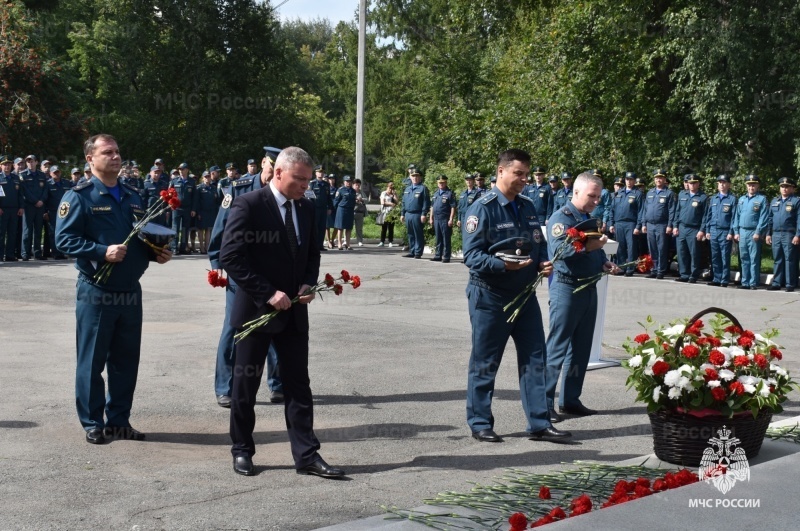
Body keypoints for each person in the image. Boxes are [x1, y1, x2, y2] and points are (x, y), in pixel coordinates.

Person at [219, 146, 344, 478]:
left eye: (308, 181)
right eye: (299, 180)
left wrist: (307, 283)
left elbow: (311, 252)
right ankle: (242, 450)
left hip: (293, 313)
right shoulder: (249, 204)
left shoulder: (306, 207)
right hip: (256, 312)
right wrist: (267, 293)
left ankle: (306, 455)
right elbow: (230, 257)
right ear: (278, 173)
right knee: (245, 385)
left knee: (298, 385)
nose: (305, 186)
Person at [55, 134, 173, 445]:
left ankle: (119, 420)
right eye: (108, 152)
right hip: (97, 291)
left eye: (118, 151)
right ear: (90, 160)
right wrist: (100, 251)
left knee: (125, 361)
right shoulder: (78, 196)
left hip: (130, 292)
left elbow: (141, 238)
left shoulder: (133, 194)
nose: (116, 157)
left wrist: (156, 252)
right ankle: (93, 422)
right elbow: (64, 240)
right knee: (92, 361)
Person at [462, 148, 569, 443]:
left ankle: (538, 423)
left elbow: (537, 243)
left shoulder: (528, 205)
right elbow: (471, 256)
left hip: (524, 296)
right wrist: (502, 265)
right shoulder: (482, 208)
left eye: (526, 174)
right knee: (485, 361)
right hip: (490, 296)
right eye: (518, 174)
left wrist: (542, 263)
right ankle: (480, 421)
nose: (524, 179)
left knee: (535, 357)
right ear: (501, 171)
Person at [209, 152, 283, 409]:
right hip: (240, 272)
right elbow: (221, 227)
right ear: (264, 162)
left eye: (279, 167)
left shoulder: (284, 192)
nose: (274, 171)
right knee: (233, 328)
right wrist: (216, 262)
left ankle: (278, 385)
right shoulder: (237, 189)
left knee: (274, 327)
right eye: (271, 165)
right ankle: (225, 387)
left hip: (272, 273)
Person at [546, 172, 618, 421]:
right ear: (576, 192)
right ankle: (544, 404)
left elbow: (595, 250)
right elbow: (559, 250)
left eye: (598, 196)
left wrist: (603, 263)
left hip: (588, 287)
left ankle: (570, 400)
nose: (596, 200)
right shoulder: (561, 218)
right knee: (557, 348)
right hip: (566, 288)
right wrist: (590, 247)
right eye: (591, 196)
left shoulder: (588, 218)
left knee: (581, 349)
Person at [732, 175, 770, 290]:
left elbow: (763, 217)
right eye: (749, 184)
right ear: (746, 186)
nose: (751, 187)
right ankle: (745, 282)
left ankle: (753, 282)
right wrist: (736, 231)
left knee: (754, 258)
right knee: (744, 258)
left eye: (753, 184)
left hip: (754, 232)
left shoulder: (762, 199)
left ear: (758, 186)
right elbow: (737, 216)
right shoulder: (742, 199)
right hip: (742, 231)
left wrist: (758, 231)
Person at [766, 177, 800, 292]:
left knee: (790, 259)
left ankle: (790, 283)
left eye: (787, 187)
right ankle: (777, 282)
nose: (784, 189)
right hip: (776, 234)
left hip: (789, 234)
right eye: (782, 186)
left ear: (792, 188)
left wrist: (798, 234)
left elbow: (799, 219)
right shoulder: (775, 201)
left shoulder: (796, 201)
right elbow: (770, 218)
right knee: (777, 259)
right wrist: (768, 234)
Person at [640, 168, 676, 279]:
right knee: (652, 248)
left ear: (664, 179)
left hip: (662, 225)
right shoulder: (650, 192)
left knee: (662, 248)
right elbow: (645, 210)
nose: (658, 180)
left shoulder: (669, 193)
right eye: (656, 178)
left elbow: (671, 210)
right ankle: (654, 269)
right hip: (650, 224)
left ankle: (661, 270)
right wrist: (643, 224)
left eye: (660, 178)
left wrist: (670, 225)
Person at [672, 174, 708, 283]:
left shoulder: (703, 197)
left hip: (694, 228)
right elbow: (677, 212)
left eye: (694, 183)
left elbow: (705, 216)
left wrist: (702, 230)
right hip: (681, 227)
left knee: (694, 253)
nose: (691, 185)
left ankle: (693, 275)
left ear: (698, 184)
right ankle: (684, 274)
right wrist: (675, 226)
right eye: (690, 183)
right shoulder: (682, 194)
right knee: (682, 252)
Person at [704, 174, 737, 287]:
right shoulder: (713, 198)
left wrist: (731, 232)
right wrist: (707, 230)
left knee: (724, 256)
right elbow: (709, 216)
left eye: (724, 183)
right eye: (720, 183)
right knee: (715, 256)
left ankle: (724, 279)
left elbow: (733, 218)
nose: (722, 185)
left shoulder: (732, 199)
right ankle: (716, 278)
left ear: (729, 185)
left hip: (724, 231)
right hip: (713, 230)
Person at [609, 171, 644, 276]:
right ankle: (621, 267)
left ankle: (630, 268)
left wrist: (638, 226)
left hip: (631, 223)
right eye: (627, 179)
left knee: (631, 246)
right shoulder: (619, 193)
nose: (629, 182)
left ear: (634, 181)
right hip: (618, 223)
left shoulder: (637, 194)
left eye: (631, 180)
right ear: (625, 180)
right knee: (620, 247)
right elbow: (612, 210)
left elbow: (641, 211)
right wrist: (611, 223)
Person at [19, 154, 49, 261]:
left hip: (40, 206)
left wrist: (41, 201)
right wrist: (35, 201)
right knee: (27, 231)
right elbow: (24, 191)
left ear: (36, 162)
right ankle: (25, 253)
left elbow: (45, 190)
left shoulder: (42, 175)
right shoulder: (23, 175)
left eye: (32, 161)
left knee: (38, 230)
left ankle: (37, 253)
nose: (30, 163)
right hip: (29, 206)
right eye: (28, 161)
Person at [401, 169, 431, 259]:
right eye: (413, 176)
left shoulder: (423, 188)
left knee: (418, 233)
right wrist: (402, 214)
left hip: (417, 214)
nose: (415, 178)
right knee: (410, 233)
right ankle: (412, 251)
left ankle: (418, 252)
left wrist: (424, 214)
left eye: (417, 176)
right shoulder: (407, 188)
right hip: (408, 214)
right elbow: (403, 202)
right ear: (410, 177)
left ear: (420, 177)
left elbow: (426, 202)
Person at [169, 163, 197, 254]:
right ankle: (174, 247)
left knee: (185, 228)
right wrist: (170, 205)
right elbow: (169, 194)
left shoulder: (192, 182)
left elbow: (194, 197)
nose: (181, 171)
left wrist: (193, 209)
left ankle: (183, 247)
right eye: (179, 169)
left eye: (182, 169)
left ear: (187, 170)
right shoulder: (174, 181)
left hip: (187, 208)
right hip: (176, 208)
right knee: (175, 228)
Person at [44, 166, 71, 260]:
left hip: (66, 212)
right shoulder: (47, 184)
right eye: (54, 172)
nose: (57, 174)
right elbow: (44, 198)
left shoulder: (67, 183)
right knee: (53, 233)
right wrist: (45, 212)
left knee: (65, 232)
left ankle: (64, 252)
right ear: (50, 174)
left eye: (58, 172)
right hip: (52, 211)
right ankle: (56, 253)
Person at [0, 155, 24, 262]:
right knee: (1, 233)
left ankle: (10, 255)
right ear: (1, 166)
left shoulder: (16, 178)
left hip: (14, 209)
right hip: (2, 210)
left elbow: (20, 194)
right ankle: (0, 255)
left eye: (9, 164)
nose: (7, 166)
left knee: (12, 233)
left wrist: (21, 207)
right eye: (5, 164)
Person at [429, 175, 455, 262]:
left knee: (446, 238)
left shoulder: (449, 193)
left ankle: (446, 256)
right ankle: (438, 255)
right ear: (437, 183)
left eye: (443, 182)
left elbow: (453, 207)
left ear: (446, 182)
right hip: (436, 218)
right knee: (438, 238)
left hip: (445, 218)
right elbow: (432, 206)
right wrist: (431, 218)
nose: (441, 184)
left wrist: (451, 219)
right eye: (440, 183)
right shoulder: (435, 193)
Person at [309, 164, 331, 250]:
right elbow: (309, 196)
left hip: (323, 208)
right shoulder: (312, 184)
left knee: (322, 227)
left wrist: (329, 207)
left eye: (322, 172)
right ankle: (314, 246)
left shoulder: (326, 184)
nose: (321, 174)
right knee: (315, 227)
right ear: (315, 173)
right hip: (315, 208)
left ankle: (320, 245)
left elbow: (328, 197)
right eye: (319, 172)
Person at [195, 171, 218, 254]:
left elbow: (215, 200)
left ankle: (207, 247)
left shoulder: (213, 188)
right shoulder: (199, 188)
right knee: (201, 230)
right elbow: (196, 201)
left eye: (208, 176)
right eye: (205, 177)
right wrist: (198, 213)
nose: (207, 178)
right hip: (202, 211)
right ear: (202, 178)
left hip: (211, 211)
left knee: (208, 229)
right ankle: (201, 247)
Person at [333, 175, 356, 250]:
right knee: (340, 227)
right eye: (347, 181)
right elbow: (336, 200)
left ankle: (348, 244)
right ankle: (340, 243)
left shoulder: (353, 191)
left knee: (349, 228)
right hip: (342, 209)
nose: (348, 183)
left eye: (349, 181)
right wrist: (333, 209)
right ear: (344, 182)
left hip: (350, 210)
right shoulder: (340, 190)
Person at [377, 182, 397, 246]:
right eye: (389, 188)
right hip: (384, 212)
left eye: (392, 188)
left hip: (392, 213)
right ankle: (382, 241)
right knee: (384, 227)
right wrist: (391, 204)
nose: (390, 189)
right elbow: (382, 202)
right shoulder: (384, 193)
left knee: (391, 228)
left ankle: (390, 241)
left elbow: (397, 202)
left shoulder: (393, 194)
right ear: (387, 187)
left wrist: (394, 195)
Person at [352, 178, 368, 246]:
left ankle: (360, 241)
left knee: (359, 228)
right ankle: (346, 240)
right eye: (356, 185)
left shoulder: (361, 192)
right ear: (353, 185)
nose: (357, 186)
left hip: (360, 212)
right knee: (348, 227)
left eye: (359, 185)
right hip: (352, 212)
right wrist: (355, 200)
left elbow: (367, 200)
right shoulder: (351, 192)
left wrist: (361, 199)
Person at [325, 174, 338, 248]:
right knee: (327, 226)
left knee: (336, 226)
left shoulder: (337, 189)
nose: (331, 180)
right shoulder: (326, 188)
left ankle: (333, 240)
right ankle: (328, 241)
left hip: (335, 208)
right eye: (330, 179)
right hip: (328, 208)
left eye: (333, 179)